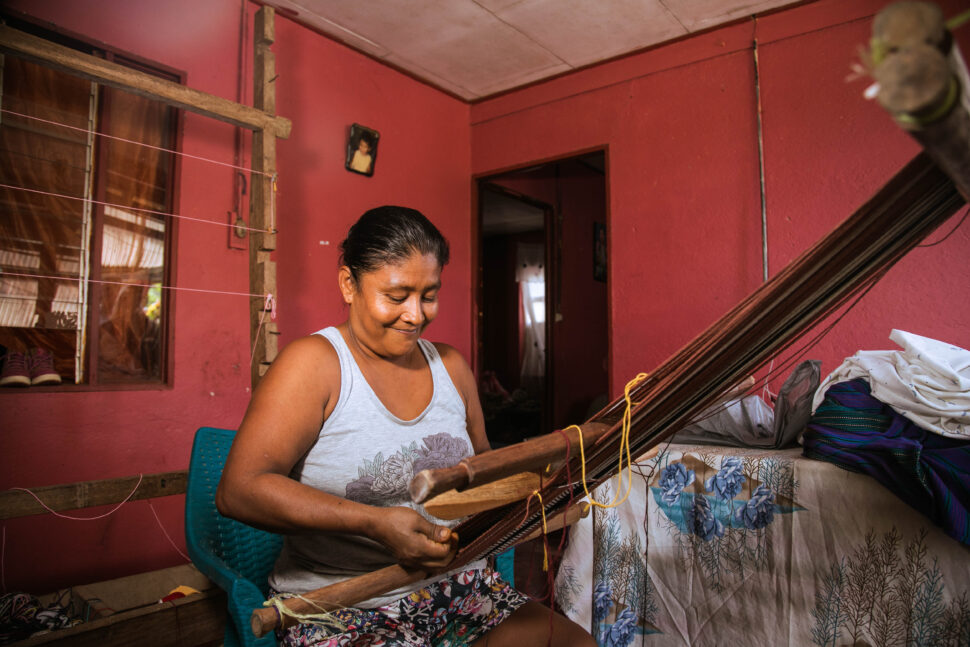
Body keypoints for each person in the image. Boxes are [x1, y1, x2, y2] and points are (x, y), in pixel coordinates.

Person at [217, 206, 595, 646]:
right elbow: (239, 490)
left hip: (457, 590)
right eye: (396, 297)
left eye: (429, 295)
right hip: (342, 604)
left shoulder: (451, 367)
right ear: (348, 284)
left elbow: (485, 472)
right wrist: (376, 523)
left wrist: (537, 481)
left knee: (575, 644)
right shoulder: (315, 365)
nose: (416, 315)